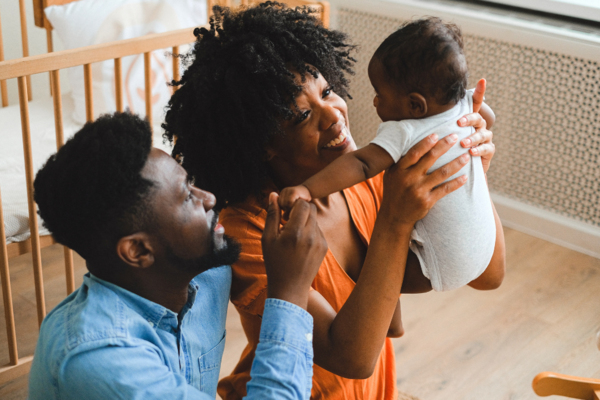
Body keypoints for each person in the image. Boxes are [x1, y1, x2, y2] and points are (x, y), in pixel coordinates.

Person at [162, 3, 505, 399]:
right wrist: (394, 220)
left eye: (327, 92)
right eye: (302, 116)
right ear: (262, 146)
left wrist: (470, 172)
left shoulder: (362, 178)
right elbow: (354, 358)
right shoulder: (249, 232)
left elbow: (487, 276)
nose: (334, 115)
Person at [28, 112, 328, 400]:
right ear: (138, 251)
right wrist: (290, 292)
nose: (209, 198)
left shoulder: (206, 275)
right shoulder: (100, 359)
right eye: (187, 197)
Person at [279, 17, 502, 293]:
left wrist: (305, 189)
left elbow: (361, 163)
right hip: (482, 245)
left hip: (440, 264)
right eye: (303, 114)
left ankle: (386, 313)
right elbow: (487, 117)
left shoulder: (405, 131)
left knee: (378, 274)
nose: (375, 101)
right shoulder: (464, 103)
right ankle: (392, 321)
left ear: (415, 105)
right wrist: (476, 125)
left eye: (380, 94)